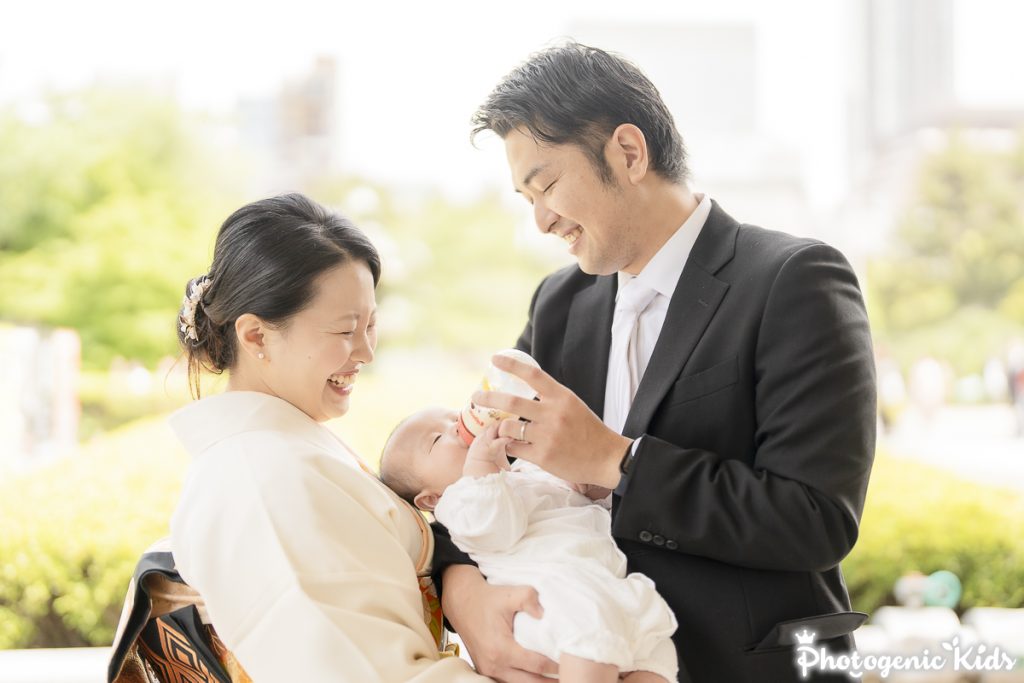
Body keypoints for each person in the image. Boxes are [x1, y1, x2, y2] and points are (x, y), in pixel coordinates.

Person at [433, 43, 877, 683]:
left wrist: (614, 462)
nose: (541, 220)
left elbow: (814, 518)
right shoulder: (559, 304)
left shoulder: (794, 280)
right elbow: (473, 466)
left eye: (547, 184)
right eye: (524, 197)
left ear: (629, 152)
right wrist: (462, 593)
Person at [165, 194, 492, 682]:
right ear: (255, 337)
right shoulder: (268, 479)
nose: (365, 351)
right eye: (345, 330)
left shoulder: (281, 454)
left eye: (371, 325)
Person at [380, 407, 678, 683]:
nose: (457, 428)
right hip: (553, 601)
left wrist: (583, 477)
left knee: (655, 657)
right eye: (437, 438)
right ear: (430, 499)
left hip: (608, 587)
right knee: (592, 640)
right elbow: (497, 529)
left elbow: (590, 493)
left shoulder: (526, 471)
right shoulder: (460, 504)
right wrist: (483, 462)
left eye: (454, 417)